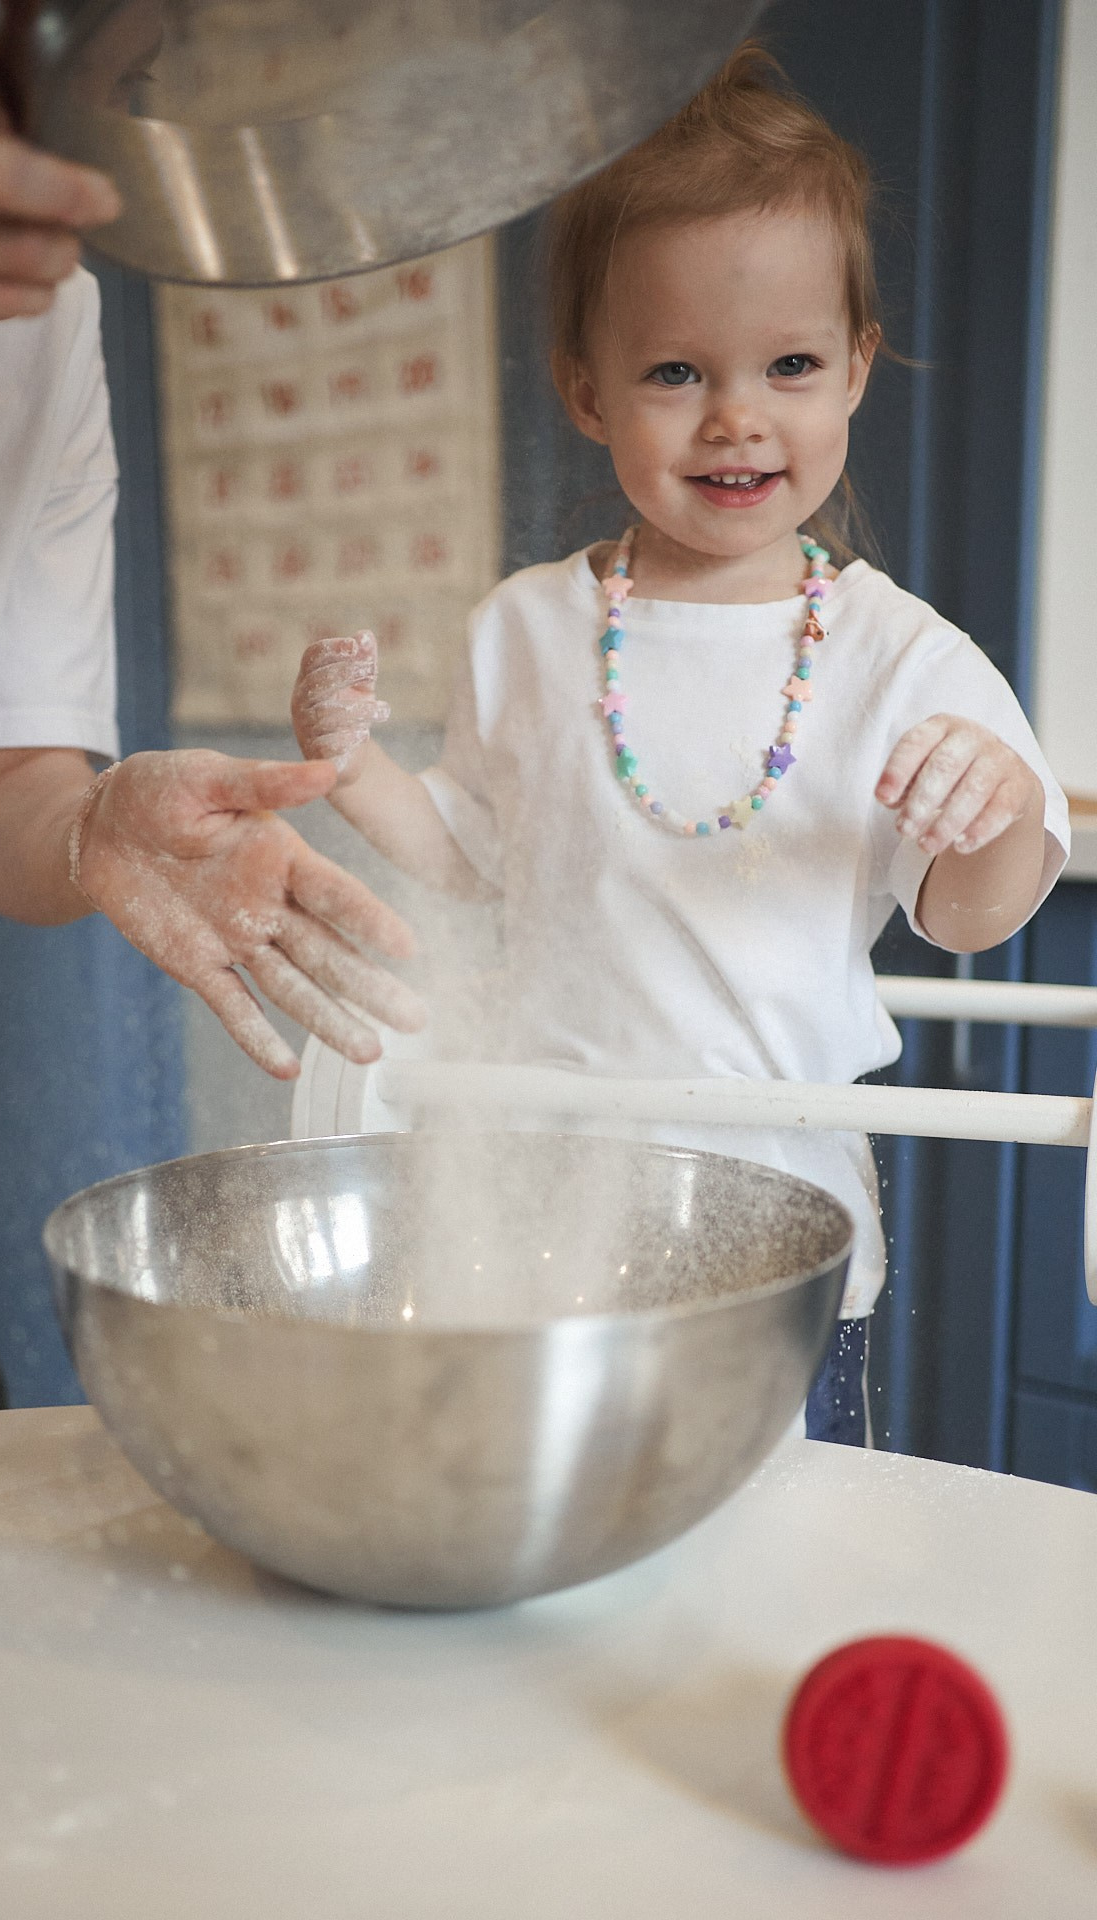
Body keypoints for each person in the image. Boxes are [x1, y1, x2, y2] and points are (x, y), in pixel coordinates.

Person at [290, 44, 1070, 1446]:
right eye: (674, 371)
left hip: (783, 1230)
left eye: (790, 364)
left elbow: (967, 916)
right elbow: (473, 858)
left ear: (856, 370)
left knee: (781, 1534)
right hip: (548, 1212)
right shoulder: (525, 630)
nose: (736, 416)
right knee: (554, 1511)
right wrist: (352, 765)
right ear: (588, 393)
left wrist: (999, 811)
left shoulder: (902, 657)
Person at [0, 0, 424, 1424]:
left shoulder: (51, 324)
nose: (112, 105)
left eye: (134, 64)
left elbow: (0, 778)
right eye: (79, 43)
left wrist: (91, 827)